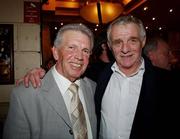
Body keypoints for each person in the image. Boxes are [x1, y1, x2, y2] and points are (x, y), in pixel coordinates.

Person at [16, 16, 178, 139]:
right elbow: (63, 72)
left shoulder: (168, 83)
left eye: (132, 40)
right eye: (118, 42)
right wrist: (41, 72)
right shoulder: (98, 77)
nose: (125, 49)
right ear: (109, 45)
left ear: (143, 41)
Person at [3, 23, 97, 139]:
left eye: (85, 51)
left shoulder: (94, 88)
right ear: (56, 53)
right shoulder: (25, 95)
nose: (79, 56)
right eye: (71, 47)